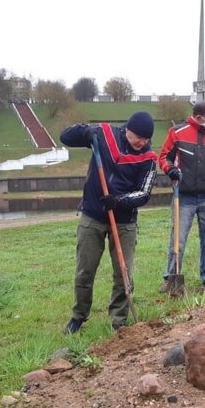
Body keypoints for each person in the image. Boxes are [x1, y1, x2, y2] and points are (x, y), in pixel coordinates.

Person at [59, 111, 157, 334]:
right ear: (127, 129)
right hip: (92, 216)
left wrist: (119, 201)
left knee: (123, 273)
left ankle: (118, 320)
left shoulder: (148, 158)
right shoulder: (104, 134)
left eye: (146, 139)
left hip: (124, 221)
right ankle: (78, 316)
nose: (142, 142)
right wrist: (85, 132)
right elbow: (65, 137)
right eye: (138, 137)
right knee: (85, 270)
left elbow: (144, 193)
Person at [158, 99, 205, 292]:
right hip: (183, 197)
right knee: (178, 240)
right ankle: (171, 279)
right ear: (199, 117)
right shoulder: (177, 133)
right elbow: (164, 157)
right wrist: (170, 170)